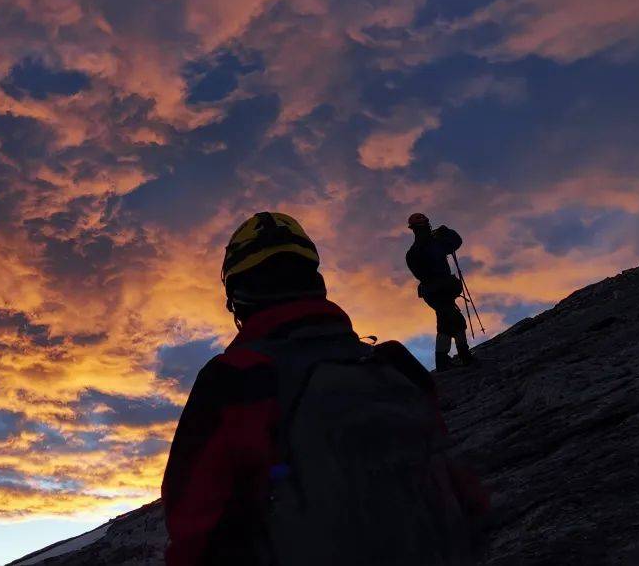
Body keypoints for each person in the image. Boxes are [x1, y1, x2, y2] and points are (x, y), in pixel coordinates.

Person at [162, 212, 487, 565]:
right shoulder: (396, 365)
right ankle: (464, 354)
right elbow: (464, 499)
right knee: (450, 322)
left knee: (447, 323)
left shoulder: (231, 382)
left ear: (238, 297)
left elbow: (193, 534)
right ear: (315, 280)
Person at [405, 213, 472, 371]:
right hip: (439, 290)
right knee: (455, 321)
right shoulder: (433, 245)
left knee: (446, 322)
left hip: (432, 292)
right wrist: (446, 232)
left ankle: (445, 360)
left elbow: (454, 243)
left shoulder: (414, 251)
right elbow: (455, 242)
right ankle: (461, 357)